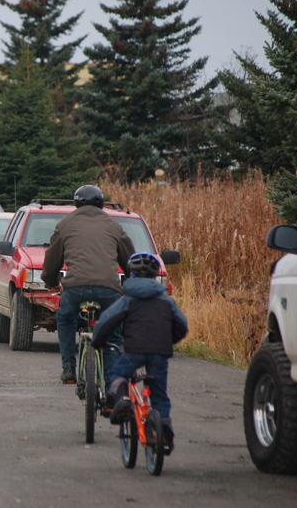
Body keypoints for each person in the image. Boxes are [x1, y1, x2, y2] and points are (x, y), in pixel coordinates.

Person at [92, 252, 188, 453]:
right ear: (155, 277)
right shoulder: (167, 301)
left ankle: (123, 400)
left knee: (118, 374)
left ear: (131, 275)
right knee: (159, 394)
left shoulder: (128, 299)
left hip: (134, 351)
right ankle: (164, 429)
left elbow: (107, 322)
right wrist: (167, 342)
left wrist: (97, 341)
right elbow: (182, 325)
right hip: (160, 353)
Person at [41, 185, 135, 385]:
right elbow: (129, 259)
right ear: (101, 202)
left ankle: (68, 368)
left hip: (75, 287)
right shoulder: (113, 225)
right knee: (113, 330)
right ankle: (112, 381)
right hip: (109, 289)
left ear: (76, 203)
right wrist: (130, 280)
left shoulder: (65, 224)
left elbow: (52, 259)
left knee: (65, 318)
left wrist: (52, 282)